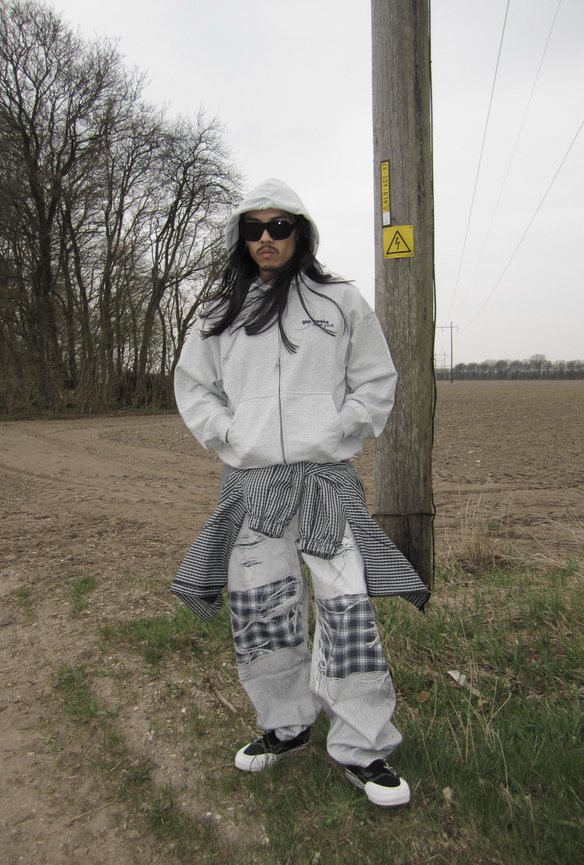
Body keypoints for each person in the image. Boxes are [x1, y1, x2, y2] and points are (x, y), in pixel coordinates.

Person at [171, 178, 430, 808]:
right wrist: (230, 434)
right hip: (254, 486)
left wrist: (340, 428)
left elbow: (376, 380)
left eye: (279, 226)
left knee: (346, 610)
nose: (266, 239)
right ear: (241, 236)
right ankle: (285, 725)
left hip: (324, 482)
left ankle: (362, 746)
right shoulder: (218, 311)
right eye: (253, 228)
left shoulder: (339, 302)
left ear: (300, 232)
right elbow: (194, 386)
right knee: (262, 608)